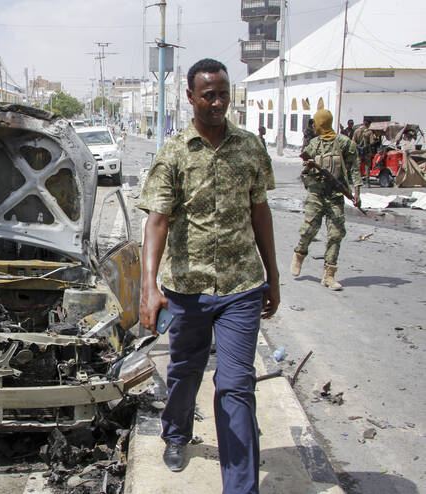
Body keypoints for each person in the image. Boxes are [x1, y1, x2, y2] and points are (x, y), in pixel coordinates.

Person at [138, 58, 279, 493]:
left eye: (223, 93)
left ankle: (240, 487)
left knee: (236, 384)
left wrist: (273, 275)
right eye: (208, 95)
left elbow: (260, 212)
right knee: (185, 370)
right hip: (188, 289)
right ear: (190, 97)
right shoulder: (175, 153)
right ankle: (177, 434)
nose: (218, 103)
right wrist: (149, 289)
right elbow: (157, 221)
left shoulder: (251, 147)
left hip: (241, 287)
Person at [291, 109, 362, 290]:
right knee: (309, 228)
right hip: (316, 193)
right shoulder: (313, 145)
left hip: (335, 195)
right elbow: (304, 168)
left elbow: (354, 168)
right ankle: (299, 254)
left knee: (336, 234)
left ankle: (329, 275)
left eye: (316, 122)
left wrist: (356, 193)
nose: (314, 126)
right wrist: (308, 169)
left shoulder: (344, 144)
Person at [352, 118, 375, 187]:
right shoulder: (369, 132)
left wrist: (358, 147)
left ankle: (357, 181)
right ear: (368, 124)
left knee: (358, 166)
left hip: (359, 151)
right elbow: (372, 142)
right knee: (367, 166)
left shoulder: (357, 131)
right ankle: (367, 182)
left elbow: (353, 141)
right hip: (367, 152)